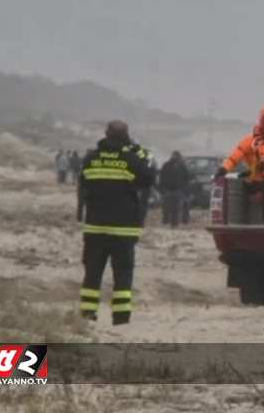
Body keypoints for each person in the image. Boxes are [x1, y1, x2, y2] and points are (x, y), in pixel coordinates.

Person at [77, 120, 154, 325]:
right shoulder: (131, 159)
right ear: (126, 136)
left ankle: (87, 314)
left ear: (106, 134)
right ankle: (120, 317)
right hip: (123, 230)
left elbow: (83, 183)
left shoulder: (91, 158)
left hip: (95, 228)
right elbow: (148, 178)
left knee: (92, 273)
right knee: (123, 274)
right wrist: (140, 153)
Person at [158, 151, 191, 227]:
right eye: (174, 156)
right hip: (171, 189)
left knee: (173, 207)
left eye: (175, 156)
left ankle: (172, 222)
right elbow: (161, 177)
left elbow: (187, 176)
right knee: (170, 207)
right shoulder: (169, 165)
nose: (175, 157)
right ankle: (169, 221)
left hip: (175, 189)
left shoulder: (180, 165)